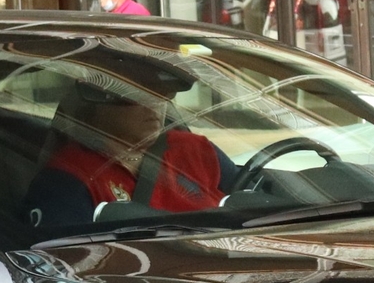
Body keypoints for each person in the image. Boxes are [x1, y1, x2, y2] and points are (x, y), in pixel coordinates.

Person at [23, 80, 234, 236]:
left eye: (160, 95)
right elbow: (66, 260)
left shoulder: (195, 148)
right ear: (98, 106)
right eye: (137, 96)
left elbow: (254, 198)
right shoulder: (68, 178)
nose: (155, 105)